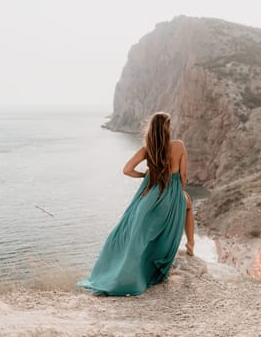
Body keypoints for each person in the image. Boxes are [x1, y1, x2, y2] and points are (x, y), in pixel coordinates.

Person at [77, 112, 194, 296]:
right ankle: (191, 245)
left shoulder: (147, 150)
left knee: (136, 235)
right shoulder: (179, 146)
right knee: (189, 205)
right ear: (168, 128)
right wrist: (178, 193)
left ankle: (120, 275)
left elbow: (127, 170)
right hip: (171, 196)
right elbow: (184, 176)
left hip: (149, 198)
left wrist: (145, 176)